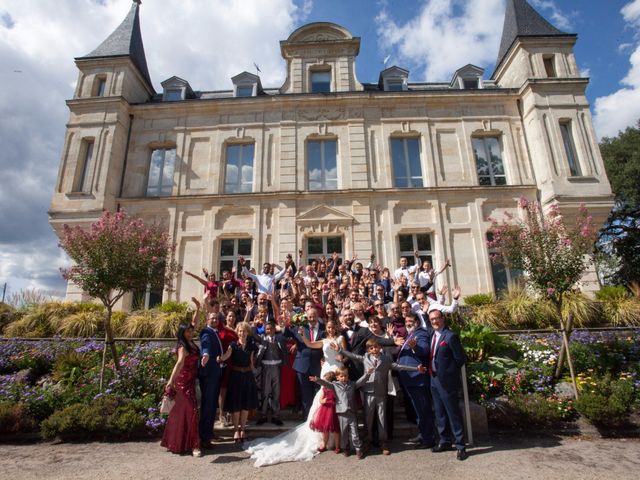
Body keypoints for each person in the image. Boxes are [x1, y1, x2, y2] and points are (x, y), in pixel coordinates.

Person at [336, 338, 426, 455]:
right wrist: (341, 350)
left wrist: (416, 369)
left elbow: (399, 367)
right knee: (368, 419)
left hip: (381, 393)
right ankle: (367, 441)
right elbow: (353, 356)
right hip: (368, 393)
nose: (374, 350)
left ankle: (383, 442)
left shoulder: (386, 359)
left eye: (376, 347)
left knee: (382, 419)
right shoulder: (365, 358)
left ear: (380, 348)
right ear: (368, 349)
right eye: (371, 348)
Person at [428, 309, 468, 460]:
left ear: (443, 319)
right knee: (439, 413)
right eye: (432, 319)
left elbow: (460, 359)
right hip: (434, 378)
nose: (434, 321)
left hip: (447, 382)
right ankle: (444, 441)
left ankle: (461, 446)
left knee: (453, 414)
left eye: (437, 318)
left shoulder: (450, 336)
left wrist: (449, 374)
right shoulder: (432, 334)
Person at [310, 366, 372, 459]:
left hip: (351, 413)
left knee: (355, 432)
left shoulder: (352, 384)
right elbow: (326, 384)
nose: (344, 378)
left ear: (348, 376)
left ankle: (358, 449)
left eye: (346, 376)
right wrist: (317, 380)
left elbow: (361, 381)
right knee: (344, 432)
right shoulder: (335, 385)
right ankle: (345, 448)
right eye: (341, 376)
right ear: (337, 377)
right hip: (342, 413)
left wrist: (368, 374)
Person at [395, 314, 436, 449]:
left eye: (411, 321)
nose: (408, 323)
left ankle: (428, 438)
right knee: (417, 410)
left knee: (423, 409)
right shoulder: (409, 335)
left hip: (418, 379)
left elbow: (424, 351)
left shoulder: (420, 334)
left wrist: (415, 348)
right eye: (406, 321)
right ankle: (422, 433)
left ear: (417, 322)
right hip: (409, 379)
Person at [161, 323, 201, 457]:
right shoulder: (182, 346)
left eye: (191, 331)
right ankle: (194, 445)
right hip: (182, 383)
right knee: (192, 411)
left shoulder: (191, 343)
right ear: (182, 333)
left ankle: (178, 443)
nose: (190, 333)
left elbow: (195, 322)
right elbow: (179, 363)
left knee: (182, 413)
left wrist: (197, 307)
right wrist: (171, 380)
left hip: (190, 381)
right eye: (187, 332)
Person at [217, 321, 258, 443]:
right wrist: (220, 358)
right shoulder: (233, 345)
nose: (242, 333)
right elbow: (226, 356)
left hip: (247, 377)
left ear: (247, 332)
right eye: (240, 331)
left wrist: (254, 374)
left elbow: (251, 363)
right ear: (237, 332)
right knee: (236, 406)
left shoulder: (251, 346)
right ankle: (236, 430)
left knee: (245, 406)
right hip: (235, 377)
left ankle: (243, 429)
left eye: (244, 331)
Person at [284, 307, 326, 416]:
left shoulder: (324, 328)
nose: (312, 319)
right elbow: (286, 333)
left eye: (314, 316)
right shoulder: (300, 327)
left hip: (318, 366)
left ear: (318, 316)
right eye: (309, 316)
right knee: (305, 394)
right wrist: (284, 323)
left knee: (318, 393)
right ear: (306, 317)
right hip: (302, 366)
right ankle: (307, 419)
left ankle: (318, 417)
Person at [198, 309, 224, 450]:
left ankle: (209, 433)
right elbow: (205, 345)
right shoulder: (206, 332)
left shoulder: (215, 332)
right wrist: (206, 354)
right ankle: (204, 437)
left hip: (215, 373)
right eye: (212, 318)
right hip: (208, 374)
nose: (215, 320)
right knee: (208, 406)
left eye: (216, 319)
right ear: (207, 320)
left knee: (212, 404)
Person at [255, 321, 287, 426]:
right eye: (267, 329)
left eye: (271, 329)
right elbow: (252, 331)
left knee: (276, 392)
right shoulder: (262, 339)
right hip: (265, 367)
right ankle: (263, 415)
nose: (269, 331)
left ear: (274, 329)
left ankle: (275, 415)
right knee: (265, 391)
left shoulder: (280, 339)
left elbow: (284, 351)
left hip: (276, 367)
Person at [309, 371, 341, 453]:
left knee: (336, 429)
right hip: (325, 410)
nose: (324, 383)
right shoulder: (324, 389)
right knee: (325, 429)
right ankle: (324, 444)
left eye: (325, 380)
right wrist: (323, 400)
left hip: (334, 410)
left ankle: (338, 446)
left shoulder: (335, 387)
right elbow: (320, 399)